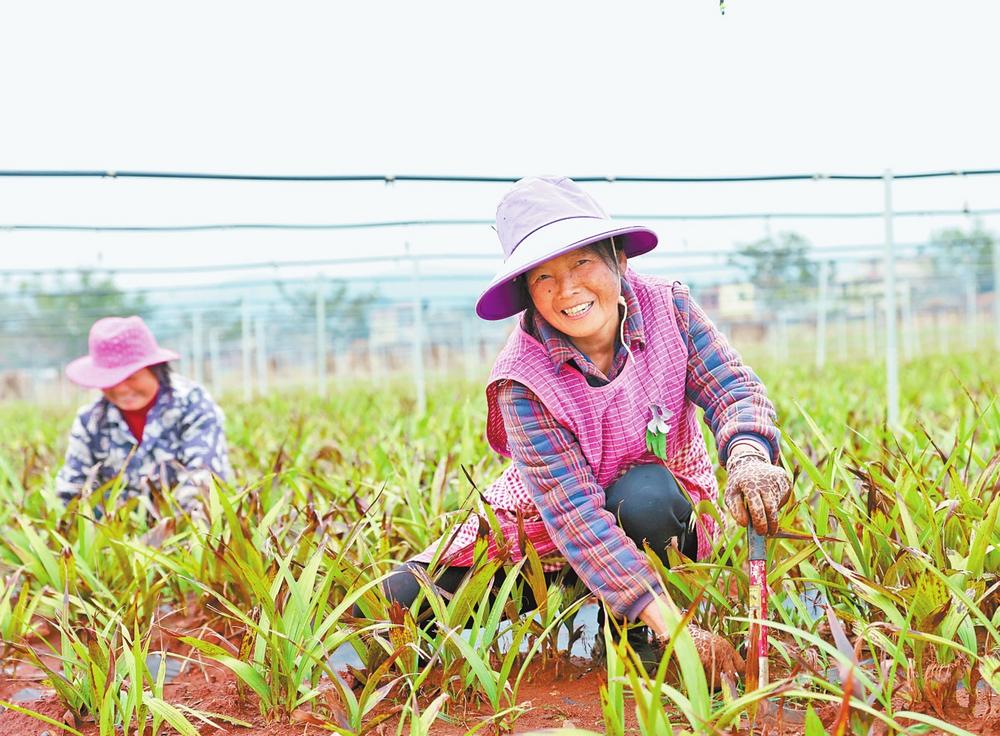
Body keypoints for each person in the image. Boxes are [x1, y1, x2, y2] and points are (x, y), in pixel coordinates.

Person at [380, 176, 792, 685]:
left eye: (581, 263)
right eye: (544, 277)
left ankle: (642, 641)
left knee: (644, 495)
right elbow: (573, 515)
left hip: (656, 512)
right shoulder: (521, 379)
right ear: (527, 293)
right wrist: (684, 630)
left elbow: (731, 387)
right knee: (401, 599)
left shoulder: (670, 307)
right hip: (551, 532)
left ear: (618, 259)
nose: (568, 290)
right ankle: (618, 605)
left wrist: (749, 456)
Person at [56, 316, 233, 515]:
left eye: (131, 377)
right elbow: (72, 491)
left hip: (185, 529)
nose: (121, 389)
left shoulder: (193, 405)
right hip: (116, 535)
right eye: (110, 380)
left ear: (155, 370)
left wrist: (179, 536)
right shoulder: (91, 421)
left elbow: (203, 484)